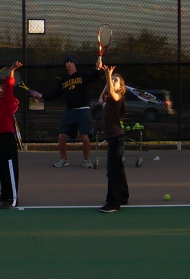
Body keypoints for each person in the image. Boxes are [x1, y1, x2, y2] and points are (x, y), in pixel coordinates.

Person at [29, 55, 100, 168]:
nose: (68, 64)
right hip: (70, 111)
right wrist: (40, 95)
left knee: (85, 137)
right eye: (66, 62)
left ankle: (86, 160)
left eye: (70, 62)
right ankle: (63, 159)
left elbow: (96, 76)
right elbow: (53, 95)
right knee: (61, 136)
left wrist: (98, 68)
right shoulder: (63, 81)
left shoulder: (83, 75)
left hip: (83, 110)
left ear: (74, 64)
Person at [0, 61, 22, 209]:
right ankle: (4, 193)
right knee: (2, 167)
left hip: (8, 138)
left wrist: (12, 72)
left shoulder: (8, 102)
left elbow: (10, 90)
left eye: (3, 88)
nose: (0, 90)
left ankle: (12, 199)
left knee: (9, 167)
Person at [98, 63, 128, 213]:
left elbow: (111, 90)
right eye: (113, 79)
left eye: (116, 80)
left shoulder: (118, 98)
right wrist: (107, 78)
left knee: (112, 171)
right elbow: (99, 101)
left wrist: (109, 76)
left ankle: (113, 203)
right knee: (118, 169)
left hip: (117, 138)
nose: (113, 81)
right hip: (113, 138)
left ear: (121, 87)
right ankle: (123, 196)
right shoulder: (108, 99)